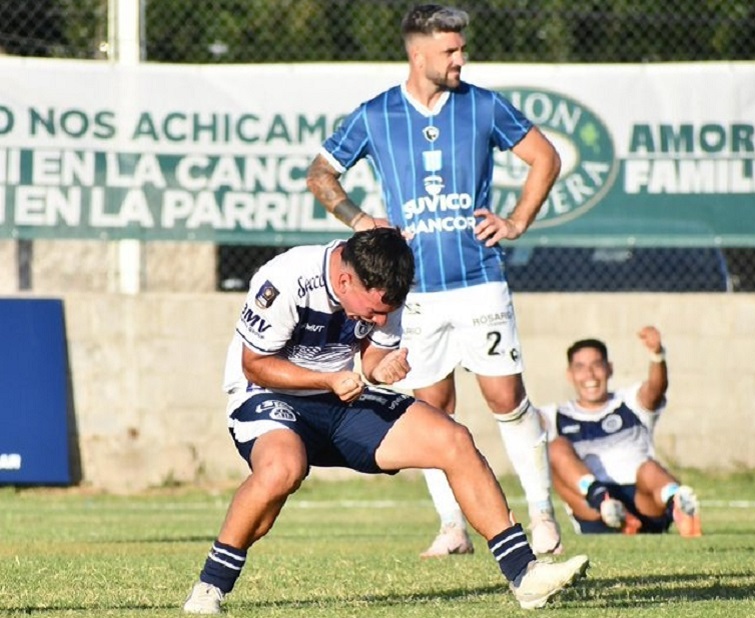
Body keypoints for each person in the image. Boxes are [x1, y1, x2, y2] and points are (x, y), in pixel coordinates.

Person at [182, 228, 589, 614]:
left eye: (387, 312)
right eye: (374, 310)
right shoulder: (284, 279)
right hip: (268, 395)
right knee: (282, 471)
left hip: (341, 395)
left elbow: (373, 355)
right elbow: (255, 366)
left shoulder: (384, 286)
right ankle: (210, 585)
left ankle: (525, 574)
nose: (380, 319)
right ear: (344, 282)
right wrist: (327, 379)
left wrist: (382, 368)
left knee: (453, 440)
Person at [306, 3, 563, 558]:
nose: (460, 58)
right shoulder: (376, 115)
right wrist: (358, 220)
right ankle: (453, 527)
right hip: (414, 292)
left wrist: (516, 221)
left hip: (478, 280)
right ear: (417, 53)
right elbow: (320, 173)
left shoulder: (484, 106)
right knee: (432, 405)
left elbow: (545, 157)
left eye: (461, 48)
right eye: (450, 50)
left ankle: (542, 513)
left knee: (505, 396)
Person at [539, 326, 702, 537]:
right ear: (570, 375)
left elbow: (655, 390)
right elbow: (518, 414)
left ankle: (677, 503)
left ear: (610, 368)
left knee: (649, 468)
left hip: (644, 503)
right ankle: (603, 501)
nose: (590, 375)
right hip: (593, 508)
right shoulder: (555, 415)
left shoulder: (629, 402)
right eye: (580, 367)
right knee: (555, 449)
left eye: (597, 365)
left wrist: (657, 355)